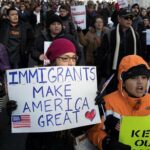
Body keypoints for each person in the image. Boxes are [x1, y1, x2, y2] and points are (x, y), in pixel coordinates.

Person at [88, 54, 150, 150]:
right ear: (123, 82)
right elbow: (93, 132)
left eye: (144, 77)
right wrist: (107, 143)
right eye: (133, 78)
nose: (140, 82)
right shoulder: (107, 102)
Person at [96, 8, 141, 93]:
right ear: (119, 19)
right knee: (112, 96)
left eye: (131, 18)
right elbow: (102, 53)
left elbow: (139, 53)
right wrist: (102, 70)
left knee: (128, 94)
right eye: (126, 18)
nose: (129, 20)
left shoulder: (135, 34)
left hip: (130, 72)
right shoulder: (109, 34)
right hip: (113, 73)